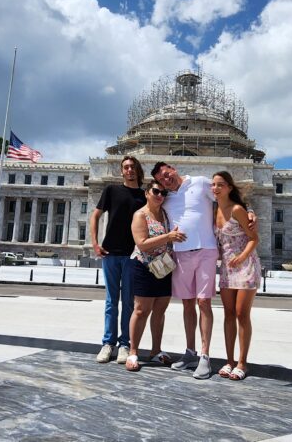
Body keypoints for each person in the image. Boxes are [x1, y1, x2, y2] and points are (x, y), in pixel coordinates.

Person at [151, 162, 255, 379]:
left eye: (166, 174)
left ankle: (205, 356)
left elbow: (227, 194)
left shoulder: (199, 182)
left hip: (207, 250)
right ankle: (190, 352)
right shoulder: (166, 197)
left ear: (172, 167)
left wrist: (250, 211)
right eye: (161, 179)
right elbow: (148, 207)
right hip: (180, 253)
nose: (165, 179)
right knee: (187, 303)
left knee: (203, 302)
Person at [124, 181, 186, 371]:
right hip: (144, 266)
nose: (160, 195)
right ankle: (133, 352)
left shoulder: (166, 214)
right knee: (141, 310)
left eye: (163, 193)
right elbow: (142, 244)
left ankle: (156, 350)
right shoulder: (140, 215)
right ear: (147, 193)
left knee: (160, 310)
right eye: (156, 191)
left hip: (164, 267)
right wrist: (168, 237)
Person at [90, 156, 146, 364]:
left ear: (138, 171)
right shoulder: (111, 191)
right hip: (110, 252)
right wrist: (95, 243)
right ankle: (108, 343)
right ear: (122, 171)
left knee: (129, 303)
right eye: (126, 167)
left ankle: (125, 344)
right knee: (111, 301)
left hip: (133, 255)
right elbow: (95, 216)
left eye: (132, 167)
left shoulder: (144, 196)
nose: (129, 170)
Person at [211, 171, 260, 381]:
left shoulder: (238, 209)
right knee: (228, 314)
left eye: (220, 184)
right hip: (227, 268)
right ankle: (229, 361)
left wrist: (241, 257)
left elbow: (254, 238)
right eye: (213, 185)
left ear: (230, 187)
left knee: (241, 314)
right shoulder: (213, 209)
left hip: (245, 264)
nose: (215, 188)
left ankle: (242, 362)